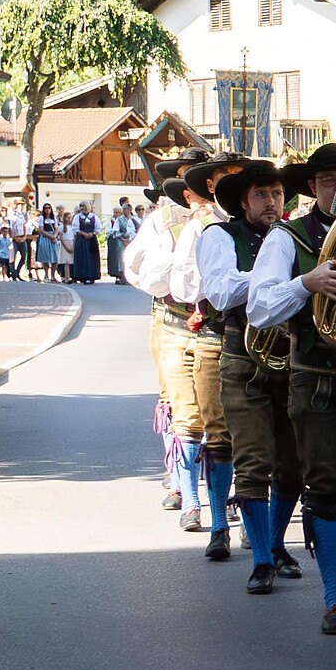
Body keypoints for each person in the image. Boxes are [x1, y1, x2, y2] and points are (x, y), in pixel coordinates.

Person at [247, 143, 336, 636]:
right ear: (312, 187)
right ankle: (332, 594)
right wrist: (307, 283)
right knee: (324, 484)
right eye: (329, 181)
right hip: (314, 375)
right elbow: (259, 307)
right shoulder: (287, 237)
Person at [203, 160, 306, 591]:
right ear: (244, 202)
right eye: (262, 195)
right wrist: (271, 279)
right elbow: (221, 290)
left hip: (292, 355)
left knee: (293, 463)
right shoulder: (219, 235)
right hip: (243, 358)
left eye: (278, 194)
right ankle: (261, 559)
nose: (272, 202)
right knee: (252, 460)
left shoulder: (291, 236)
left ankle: (276, 543)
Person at [171, 154, 251, 558]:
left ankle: (255, 523)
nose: (234, 187)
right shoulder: (202, 228)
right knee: (219, 434)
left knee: (258, 441)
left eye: (241, 179)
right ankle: (219, 522)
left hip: (264, 340)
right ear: (212, 188)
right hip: (217, 337)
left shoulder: (274, 229)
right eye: (226, 181)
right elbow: (184, 287)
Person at [124, 167, 195, 511]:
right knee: (173, 398)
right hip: (171, 315)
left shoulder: (226, 216)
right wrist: (167, 290)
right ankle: (179, 482)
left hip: (216, 322)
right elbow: (133, 266)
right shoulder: (160, 220)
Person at [72, 202, 102, 283]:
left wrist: (92, 234)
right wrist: (84, 234)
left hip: (92, 240)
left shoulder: (94, 217)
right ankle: (82, 276)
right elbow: (75, 229)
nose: (83, 208)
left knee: (92, 257)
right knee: (82, 257)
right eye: (81, 206)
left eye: (84, 206)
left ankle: (92, 275)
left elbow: (98, 228)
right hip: (81, 239)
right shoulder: (77, 217)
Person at [106, 201, 136, 284]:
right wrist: (123, 239)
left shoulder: (133, 219)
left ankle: (131, 276)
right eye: (123, 209)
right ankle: (122, 276)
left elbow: (136, 230)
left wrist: (129, 239)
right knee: (121, 259)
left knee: (131, 258)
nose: (124, 210)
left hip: (131, 240)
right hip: (121, 241)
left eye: (125, 209)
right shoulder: (119, 220)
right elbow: (116, 231)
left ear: (129, 209)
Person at [34, 203, 60, 280]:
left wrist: (54, 236)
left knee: (55, 257)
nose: (47, 209)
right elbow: (41, 230)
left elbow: (56, 229)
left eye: (49, 208)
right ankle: (46, 274)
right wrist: (50, 236)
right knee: (46, 257)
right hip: (45, 237)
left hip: (53, 238)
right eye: (45, 208)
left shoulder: (54, 218)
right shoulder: (42, 218)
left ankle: (53, 275)